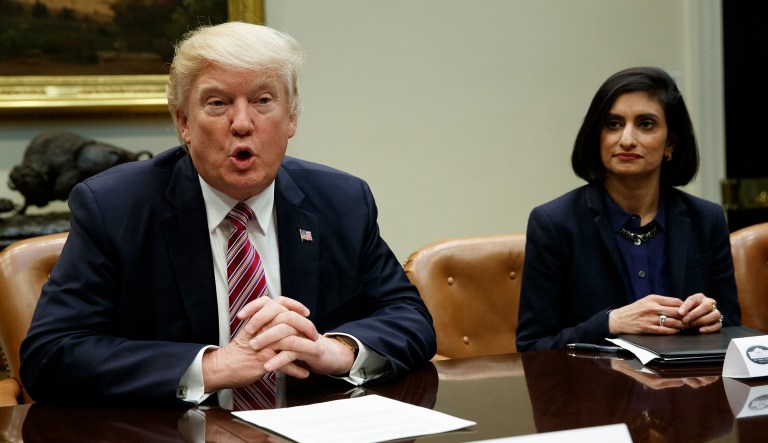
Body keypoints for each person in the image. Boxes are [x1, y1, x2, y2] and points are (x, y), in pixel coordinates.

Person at [19, 21, 436, 407]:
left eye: (263, 100)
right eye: (218, 103)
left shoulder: (341, 200)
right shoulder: (114, 207)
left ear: (291, 117)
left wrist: (337, 349)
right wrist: (214, 366)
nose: (242, 123)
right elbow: (51, 355)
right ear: (183, 121)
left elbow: (409, 319)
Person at [516, 66, 741, 351]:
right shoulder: (553, 223)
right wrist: (610, 322)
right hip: (594, 392)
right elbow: (532, 346)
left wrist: (714, 317)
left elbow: (733, 326)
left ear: (670, 142)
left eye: (646, 124)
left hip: (686, 388)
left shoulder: (706, 219)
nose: (626, 139)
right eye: (613, 124)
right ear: (598, 136)